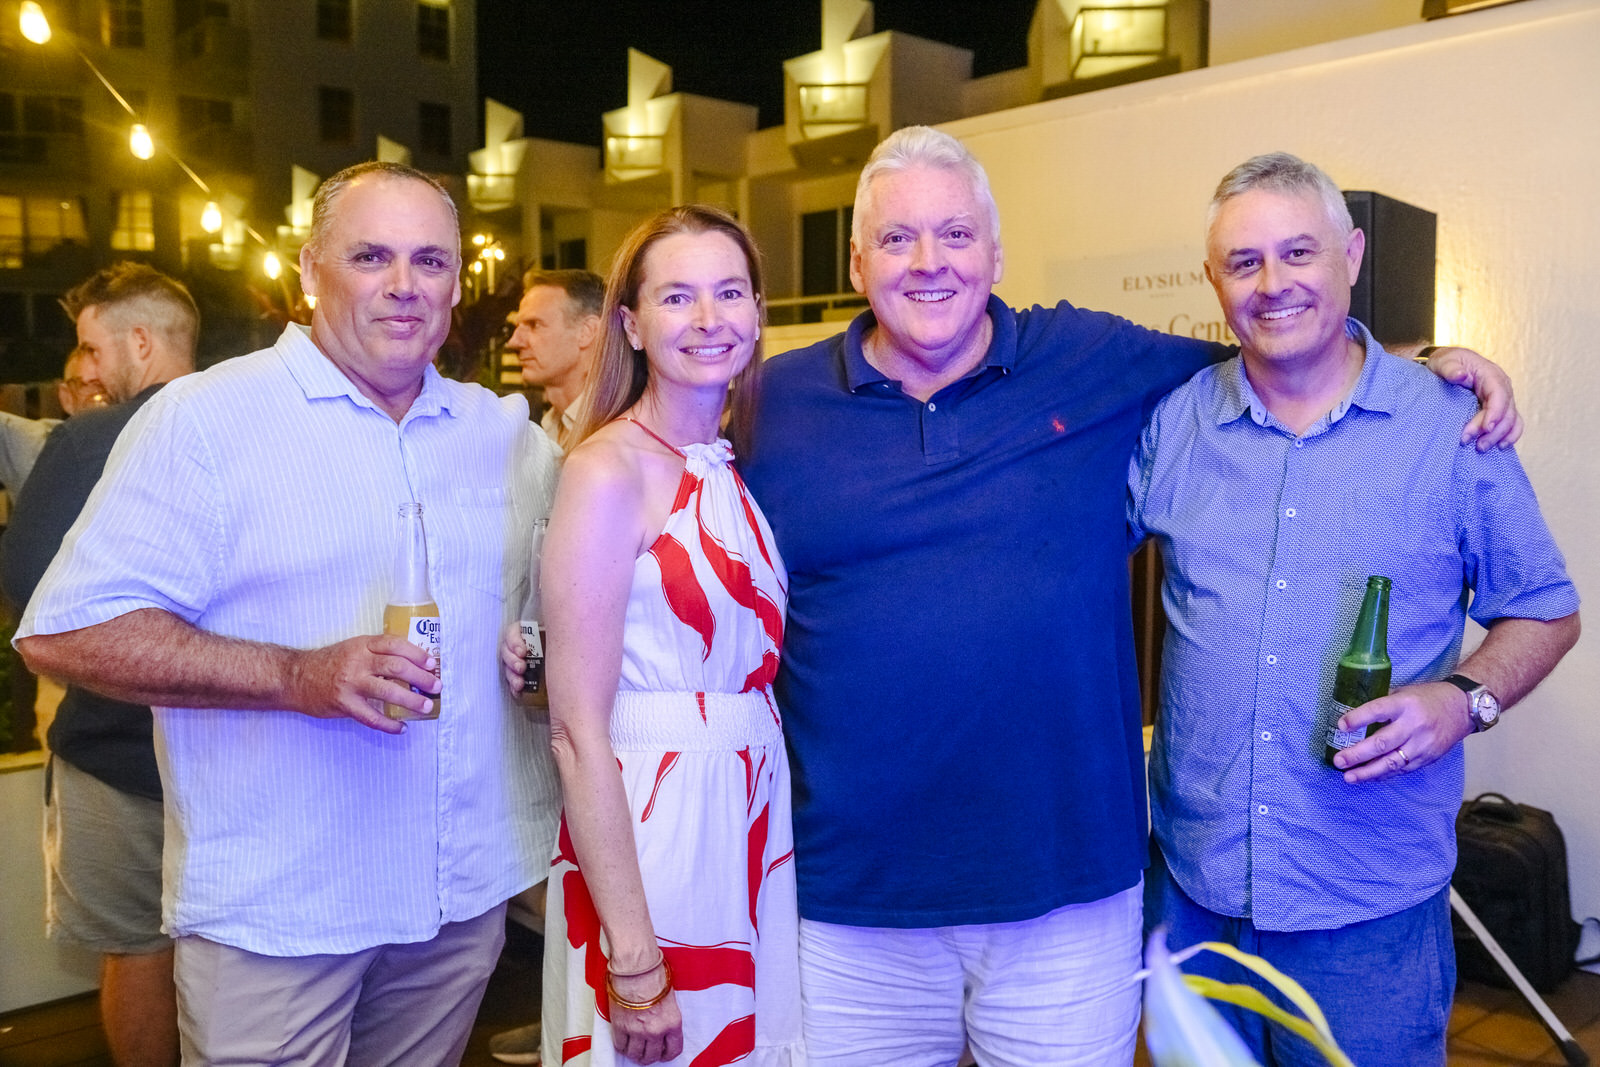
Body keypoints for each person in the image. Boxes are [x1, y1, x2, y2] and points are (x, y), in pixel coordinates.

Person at [737, 125, 1520, 1066]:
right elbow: (666, 499)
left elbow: (1277, 348)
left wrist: (1423, 359)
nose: (929, 262)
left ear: (996, 253)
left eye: (955, 234)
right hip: (847, 902)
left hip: (1072, 897)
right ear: (857, 261)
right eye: (897, 238)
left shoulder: (1087, 356)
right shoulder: (770, 403)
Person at [14, 161, 561, 1066]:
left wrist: (540, 662)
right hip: (280, 909)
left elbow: (550, 620)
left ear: (455, 283)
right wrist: (295, 674)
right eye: (371, 255)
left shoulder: (504, 436)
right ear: (311, 270)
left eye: (430, 260)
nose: (404, 283)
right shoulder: (207, 420)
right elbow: (66, 630)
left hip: (458, 897)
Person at [1130, 151, 1581, 1066]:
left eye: (1299, 252)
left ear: (1354, 255)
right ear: (1214, 280)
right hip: (1194, 895)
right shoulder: (1173, 423)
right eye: (1245, 261)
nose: (1273, 283)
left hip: (1367, 911)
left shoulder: (1449, 426)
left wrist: (1462, 700)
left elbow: (1546, 609)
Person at [532, 205, 803, 1066]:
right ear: (632, 323)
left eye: (729, 292)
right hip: (654, 818)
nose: (708, 318)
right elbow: (575, 728)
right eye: (677, 297)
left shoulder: (731, 461)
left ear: (757, 312)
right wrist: (636, 955)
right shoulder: (606, 469)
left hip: (747, 807)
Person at [0, 262, 198, 1067]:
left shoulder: (92, 438)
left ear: (139, 342)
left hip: (119, 751)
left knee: (137, 946)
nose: (85, 369)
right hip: (241, 741)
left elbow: (29, 587)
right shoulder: (255, 420)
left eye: (91, 346)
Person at [488, 267, 604, 1065]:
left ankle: (589, 1013)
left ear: (591, 330)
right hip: (534, 668)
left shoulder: (616, 430)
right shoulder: (541, 431)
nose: (516, 337)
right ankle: (563, 1006)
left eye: (534, 323)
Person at [508, 268, 604, 452]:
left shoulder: (613, 430)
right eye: (518, 326)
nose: (514, 342)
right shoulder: (549, 426)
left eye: (534, 325)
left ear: (587, 331)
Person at [0, 345, 107, 499]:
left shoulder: (138, 447)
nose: (101, 397)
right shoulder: (35, 445)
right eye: (88, 385)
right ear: (67, 397)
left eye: (108, 385)